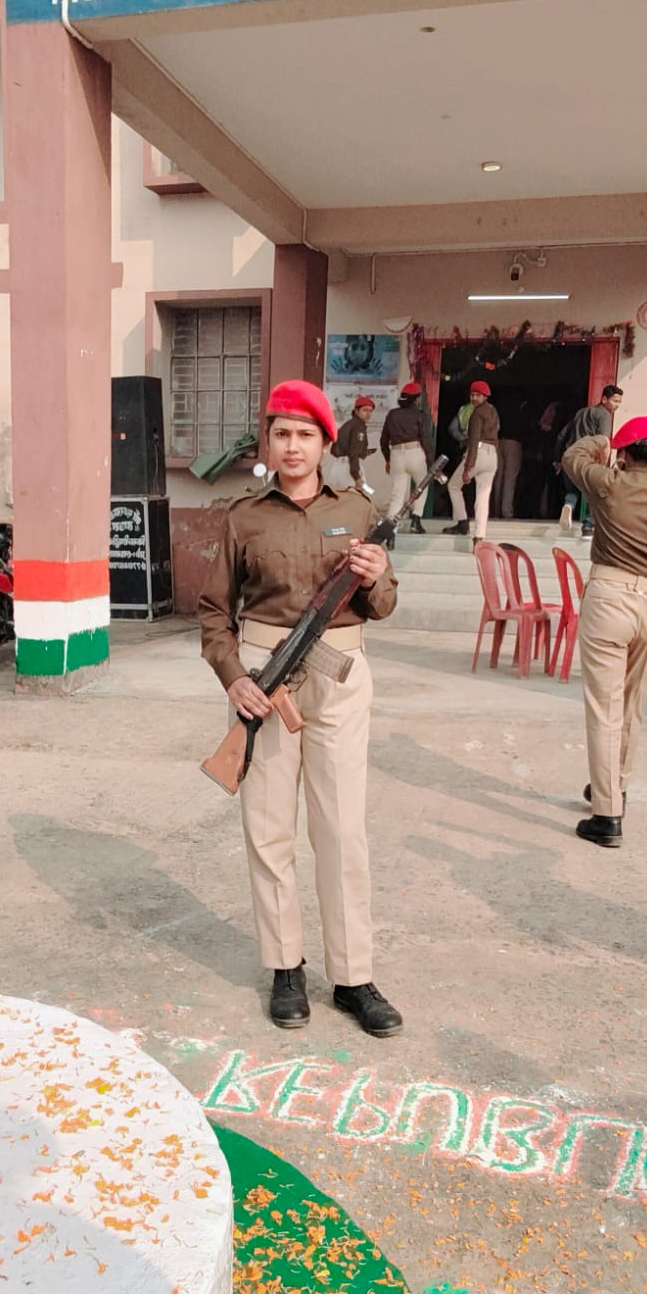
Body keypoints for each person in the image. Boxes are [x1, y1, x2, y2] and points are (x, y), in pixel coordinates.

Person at [199, 379, 403, 1038]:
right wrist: (234, 677)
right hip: (266, 675)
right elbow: (214, 612)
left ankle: (352, 976)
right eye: (281, 434)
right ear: (269, 442)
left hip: (338, 671)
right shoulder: (243, 516)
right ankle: (285, 968)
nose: (292, 446)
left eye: (305, 435)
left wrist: (375, 576)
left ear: (325, 443)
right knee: (267, 825)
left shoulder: (358, 508)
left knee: (341, 826)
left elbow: (383, 605)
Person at [563, 415, 647, 848]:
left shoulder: (609, 483)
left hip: (610, 595)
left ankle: (607, 817)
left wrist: (599, 441)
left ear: (624, 454)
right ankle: (615, 787)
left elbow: (571, 456)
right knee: (632, 702)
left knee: (604, 707)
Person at [555, 384, 624, 535]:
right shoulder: (604, 415)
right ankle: (588, 527)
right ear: (604, 399)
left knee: (572, 490)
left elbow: (562, 435)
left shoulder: (581, 412)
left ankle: (568, 506)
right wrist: (603, 465)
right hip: (588, 459)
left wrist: (557, 459)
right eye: (614, 401)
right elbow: (604, 441)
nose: (617, 405)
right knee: (594, 493)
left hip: (569, 457)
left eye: (619, 402)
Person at [444, 381, 500, 543]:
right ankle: (479, 537)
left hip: (478, 453)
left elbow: (474, 440)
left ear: (485, 396)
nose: (474, 398)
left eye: (478, 395)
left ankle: (462, 522)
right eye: (472, 395)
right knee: (483, 497)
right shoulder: (493, 411)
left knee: (453, 486)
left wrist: (468, 467)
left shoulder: (476, 413)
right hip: (492, 455)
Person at [380, 380, 433, 537]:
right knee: (423, 486)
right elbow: (425, 439)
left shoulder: (392, 414)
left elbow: (383, 440)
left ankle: (391, 532)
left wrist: (388, 459)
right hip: (414, 452)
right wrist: (431, 462)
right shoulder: (419, 414)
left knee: (396, 495)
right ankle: (416, 519)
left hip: (396, 455)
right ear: (416, 399)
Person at [328, 395, 374, 491]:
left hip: (338, 468)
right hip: (350, 470)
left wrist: (365, 452)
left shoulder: (349, 424)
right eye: (365, 410)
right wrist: (356, 477)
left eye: (370, 411)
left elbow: (339, 448)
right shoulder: (358, 427)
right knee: (362, 495)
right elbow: (354, 452)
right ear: (356, 410)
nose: (368, 413)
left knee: (366, 492)